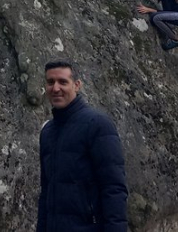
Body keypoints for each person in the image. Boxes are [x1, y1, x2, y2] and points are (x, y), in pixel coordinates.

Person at [37, 61, 128, 232]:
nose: (55, 88)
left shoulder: (97, 125)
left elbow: (113, 187)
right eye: (50, 82)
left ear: (77, 85)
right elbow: (46, 192)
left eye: (63, 82)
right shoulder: (47, 132)